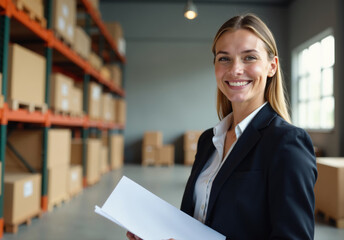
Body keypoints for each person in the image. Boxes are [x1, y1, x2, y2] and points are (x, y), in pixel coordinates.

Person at [127, 13, 317, 240]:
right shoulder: (209, 140)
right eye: (224, 58)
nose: (235, 69)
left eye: (249, 58)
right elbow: (196, 223)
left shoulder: (287, 142)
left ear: (272, 66)